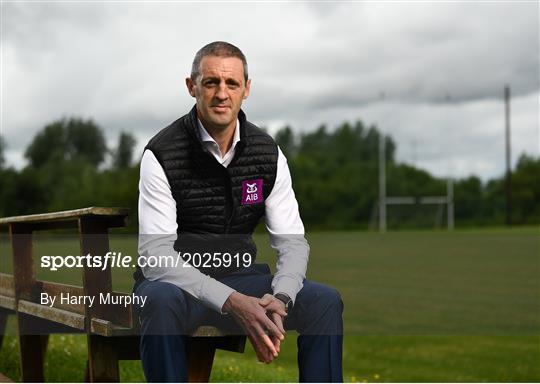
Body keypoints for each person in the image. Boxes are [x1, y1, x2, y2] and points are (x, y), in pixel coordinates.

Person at [134, 41, 343, 383]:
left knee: (324, 301)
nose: (221, 93)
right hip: (178, 287)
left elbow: (292, 243)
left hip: (242, 277)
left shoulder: (267, 153)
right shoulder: (161, 153)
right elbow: (155, 257)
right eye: (211, 82)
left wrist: (282, 296)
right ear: (192, 87)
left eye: (231, 83)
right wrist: (232, 301)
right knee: (158, 302)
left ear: (246, 89)